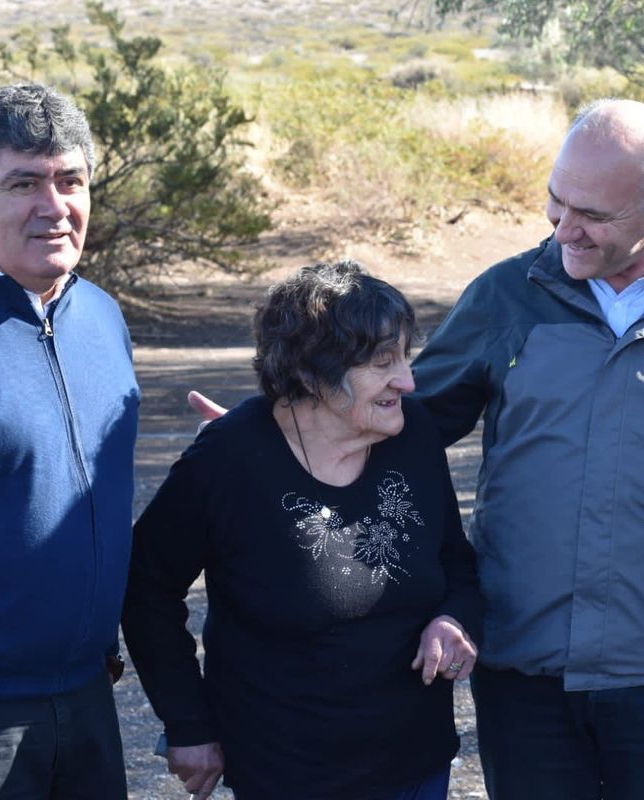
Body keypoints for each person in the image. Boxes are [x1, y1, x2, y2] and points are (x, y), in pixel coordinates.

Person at [193, 97, 644, 799]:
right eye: (555, 201)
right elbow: (398, 418)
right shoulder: (509, 297)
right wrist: (275, 435)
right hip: (523, 675)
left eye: (593, 216)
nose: (563, 228)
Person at [122, 261, 481, 799]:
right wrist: (189, 725)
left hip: (416, 763)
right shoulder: (228, 459)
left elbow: (454, 558)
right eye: (383, 363)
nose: (406, 380)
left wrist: (454, 618)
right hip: (287, 773)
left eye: (405, 357)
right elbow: (147, 590)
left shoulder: (413, 435)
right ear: (313, 372)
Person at [0, 84, 139, 799]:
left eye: (70, 181)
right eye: (23, 183)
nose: (53, 208)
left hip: (86, 699)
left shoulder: (102, 318)